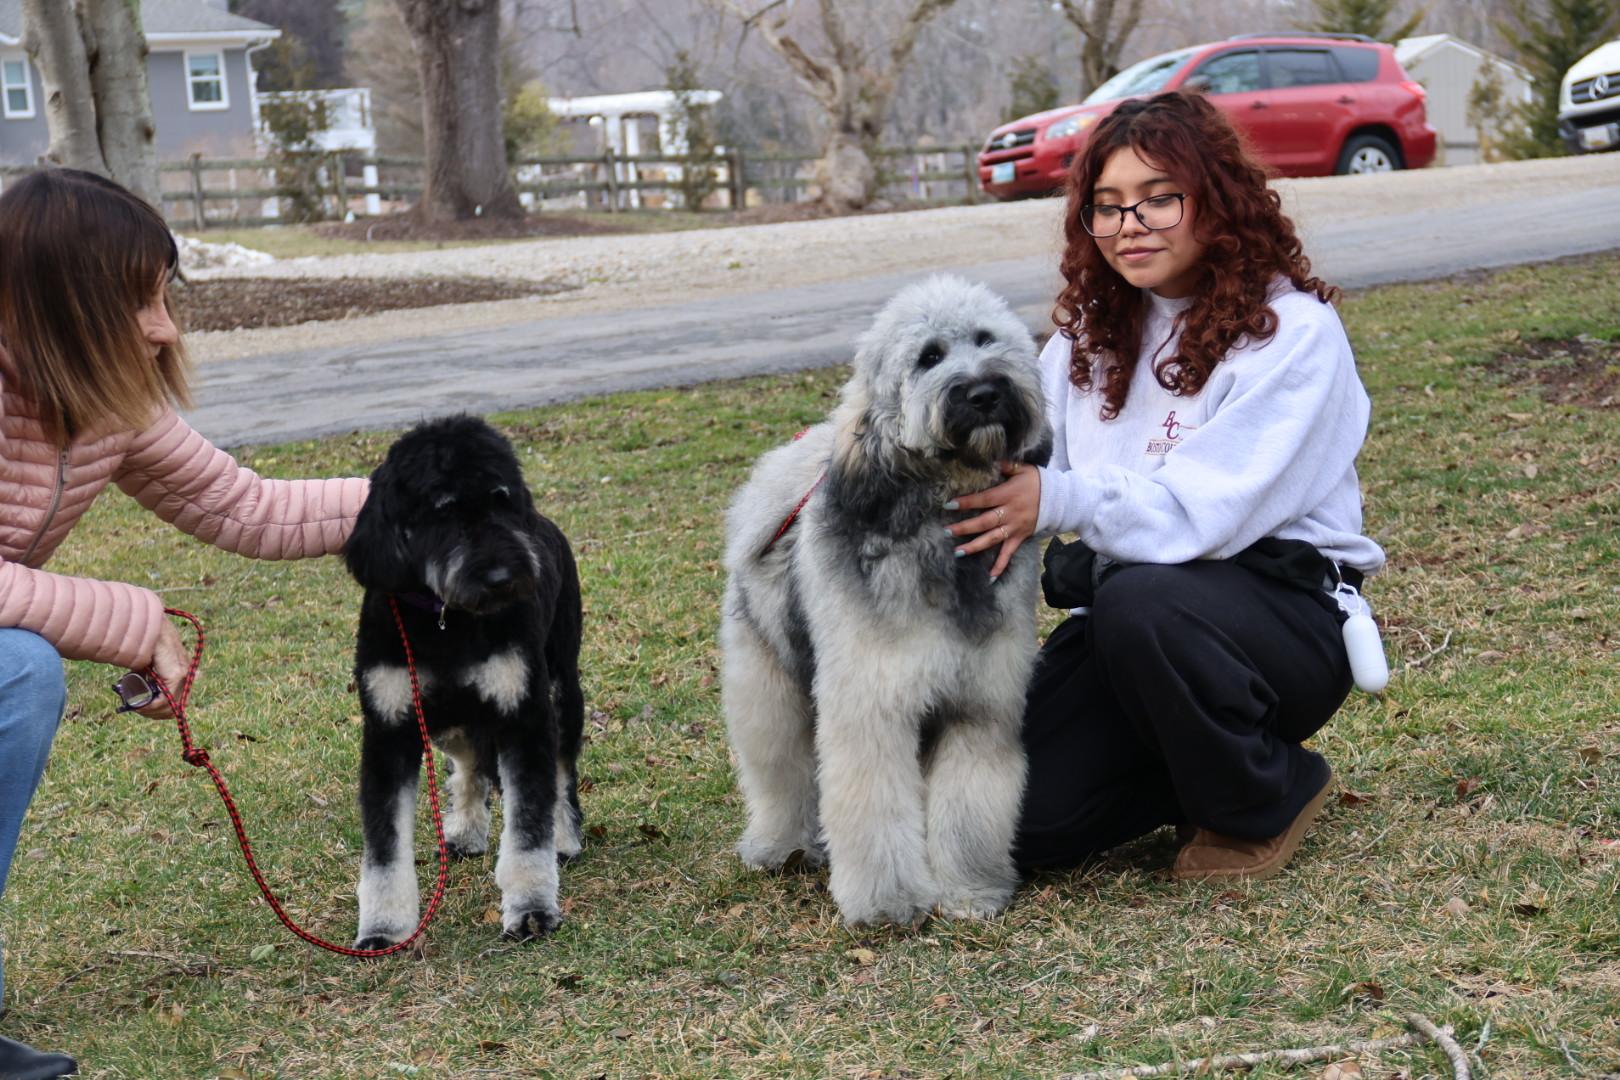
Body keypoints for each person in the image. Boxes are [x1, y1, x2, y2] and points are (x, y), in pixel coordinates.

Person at [946, 91, 1385, 881]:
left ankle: (1265, 797)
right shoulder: (1091, 333)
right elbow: (1022, 455)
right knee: (1008, 827)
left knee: (1144, 601)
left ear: (1217, 201)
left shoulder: (1293, 336)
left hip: (1279, 620)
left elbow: (1201, 515)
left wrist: (1059, 501)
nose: (1128, 226)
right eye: (1105, 208)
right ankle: (1190, 766)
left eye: (1158, 200)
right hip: (1130, 630)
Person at [0, 169, 367, 1079]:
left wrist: (442, 505)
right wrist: (128, 615)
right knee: (17, 671)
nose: (164, 327)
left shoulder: (99, 399)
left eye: (164, 296)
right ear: (56, 302)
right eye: (137, 301)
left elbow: (246, 506)